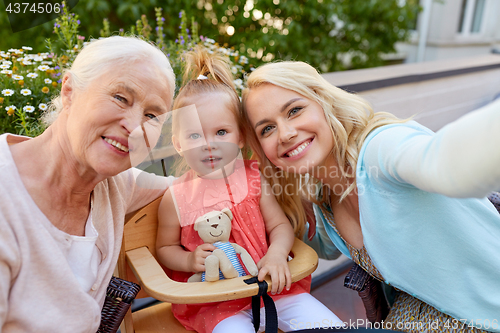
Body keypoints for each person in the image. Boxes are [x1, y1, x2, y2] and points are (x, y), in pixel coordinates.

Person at [241, 61, 500, 332]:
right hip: (420, 311)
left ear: (324, 102)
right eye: (266, 129)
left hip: (485, 315)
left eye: (294, 110)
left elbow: (440, 160)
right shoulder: (325, 199)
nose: (285, 134)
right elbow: (318, 246)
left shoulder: (380, 147)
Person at [156, 47, 343, 333]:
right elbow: (164, 247)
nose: (209, 144)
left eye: (221, 132)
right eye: (195, 135)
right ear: (178, 143)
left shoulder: (253, 179)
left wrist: (278, 254)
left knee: (329, 327)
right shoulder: (177, 198)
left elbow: (279, 225)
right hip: (215, 302)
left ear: (241, 136)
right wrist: (188, 259)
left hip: (273, 289)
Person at [0, 36, 176, 332]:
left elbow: (188, 185)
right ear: (69, 91)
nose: (134, 127)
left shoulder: (116, 185)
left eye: (151, 116)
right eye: (120, 97)